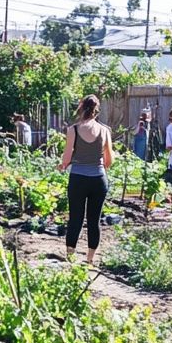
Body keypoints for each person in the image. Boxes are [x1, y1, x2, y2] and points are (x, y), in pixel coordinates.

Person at [57, 94, 113, 264]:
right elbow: (109, 161)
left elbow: (66, 159)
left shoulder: (73, 130)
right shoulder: (104, 130)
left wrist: (62, 165)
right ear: (96, 110)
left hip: (78, 179)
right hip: (99, 179)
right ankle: (90, 260)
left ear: (80, 108)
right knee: (94, 220)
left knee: (76, 218)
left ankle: (71, 258)